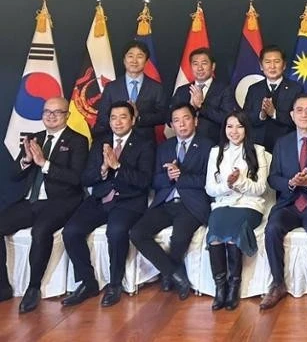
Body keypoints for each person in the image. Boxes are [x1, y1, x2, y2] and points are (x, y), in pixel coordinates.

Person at [62, 101, 154, 308]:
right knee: (71, 231)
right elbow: (85, 178)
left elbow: (144, 181)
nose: (118, 122)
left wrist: (118, 166)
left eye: (123, 117)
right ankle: (87, 282)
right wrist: (103, 170)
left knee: (116, 231)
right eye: (113, 117)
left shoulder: (144, 144)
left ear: (132, 120)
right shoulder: (100, 143)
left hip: (129, 201)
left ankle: (114, 284)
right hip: (100, 198)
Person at [0, 97, 88, 313]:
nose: (50, 115)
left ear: (67, 115)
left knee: (40, 231)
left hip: (61, 201)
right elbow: (14, 174)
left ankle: (33, 287)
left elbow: (77, 179)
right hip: (31, 200)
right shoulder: (35, 138)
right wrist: (27, 161)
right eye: (47, 111)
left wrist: (45, 164)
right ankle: (2, 286)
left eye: (56, 112)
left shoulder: (78, 141)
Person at [260, 95, 307, 313]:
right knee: (273, 228)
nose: (304, 114)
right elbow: (272, 178)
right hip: (289, 202)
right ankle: (277, 283)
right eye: (300, 110)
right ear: (292, 115)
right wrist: (290, 183)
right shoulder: (282, 143)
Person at [129, 103, 213, 301]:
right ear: (172, 125)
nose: (182, 124)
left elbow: (209, 181)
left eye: (186, 118)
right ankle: (173, 272)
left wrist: (181, 176)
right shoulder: (165, 147)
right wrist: (168, 176)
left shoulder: (208, 146)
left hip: (191, 204)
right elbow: (154, 181)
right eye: (176, 120)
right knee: (137, 233)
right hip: (165, 202)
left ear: (195, 121)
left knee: (179, 238)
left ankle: (169, 276)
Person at [205, 110, 269, 311]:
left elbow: (260, 189)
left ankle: (234, 285)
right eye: (230, 126)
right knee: (214, 234)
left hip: (249, 206)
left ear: (246, 129)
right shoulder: (216, 152)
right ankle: (220, 287)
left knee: (233, 235)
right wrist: (227, 185)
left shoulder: (258, 151)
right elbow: (210, 188)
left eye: (239, 126)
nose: (234, 131)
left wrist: (240, 182)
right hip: (223, 203)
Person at [94, 40, 168, 146]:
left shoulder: (156, 88)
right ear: (124, 60)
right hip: (116, 142)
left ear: (146, 61)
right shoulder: (111, 87)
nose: (134, 60)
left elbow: (163, 116)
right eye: (130, 56)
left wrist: (139, 117)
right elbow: (103, 117)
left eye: (139, 56)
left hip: (145, 143)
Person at [170, 47, 237, 144]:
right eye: (195, 64)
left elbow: (228, 119)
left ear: (213, 66)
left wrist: (201, 106)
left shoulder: (224, 89)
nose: (200, 68)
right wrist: (191, 108)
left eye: (204, 63)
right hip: (186, 145)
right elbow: (169, 118)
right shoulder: (182, 91)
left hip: (214, 143)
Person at [244, 45, 302, 152]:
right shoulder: (254, 89)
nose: (272, 66)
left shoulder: (296, 89)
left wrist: (274, 113)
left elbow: (300, 119)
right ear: (261, 66)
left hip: (286, 145)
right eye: (268, 62)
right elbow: (245, 118)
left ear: (284, 65)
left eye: (276, 61)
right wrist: (261, 115)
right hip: (257, 146)